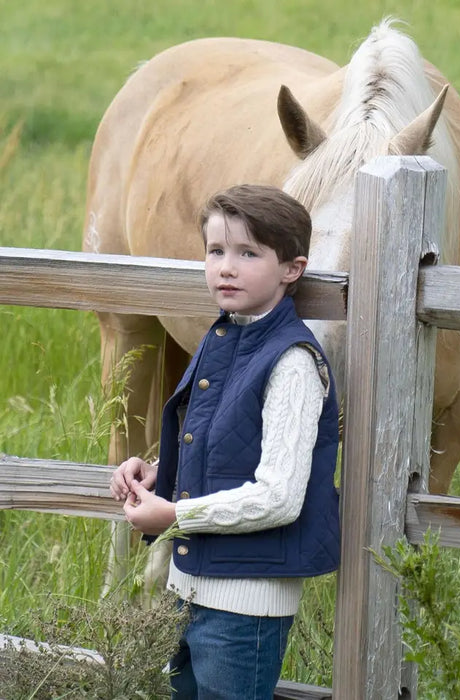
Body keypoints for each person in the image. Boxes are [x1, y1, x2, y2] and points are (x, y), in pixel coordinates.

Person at [109, 184, 340, 700]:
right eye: (215, 252)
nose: (226, 268)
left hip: (245, 608)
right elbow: (216, 443)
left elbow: (279, 497)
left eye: (247, 253)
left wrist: (173, 516)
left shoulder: (292, 363)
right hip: (186, 588)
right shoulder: (223, 339)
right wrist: (155, 471)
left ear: (292, 269)